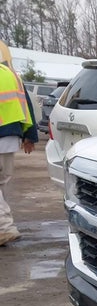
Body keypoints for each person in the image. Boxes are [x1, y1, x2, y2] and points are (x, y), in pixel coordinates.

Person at [0, 50, 38, 247]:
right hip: (10, 137)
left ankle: (4, 227)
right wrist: (29, 136)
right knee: (2, 183)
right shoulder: (12, 75)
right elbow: (26, 106)